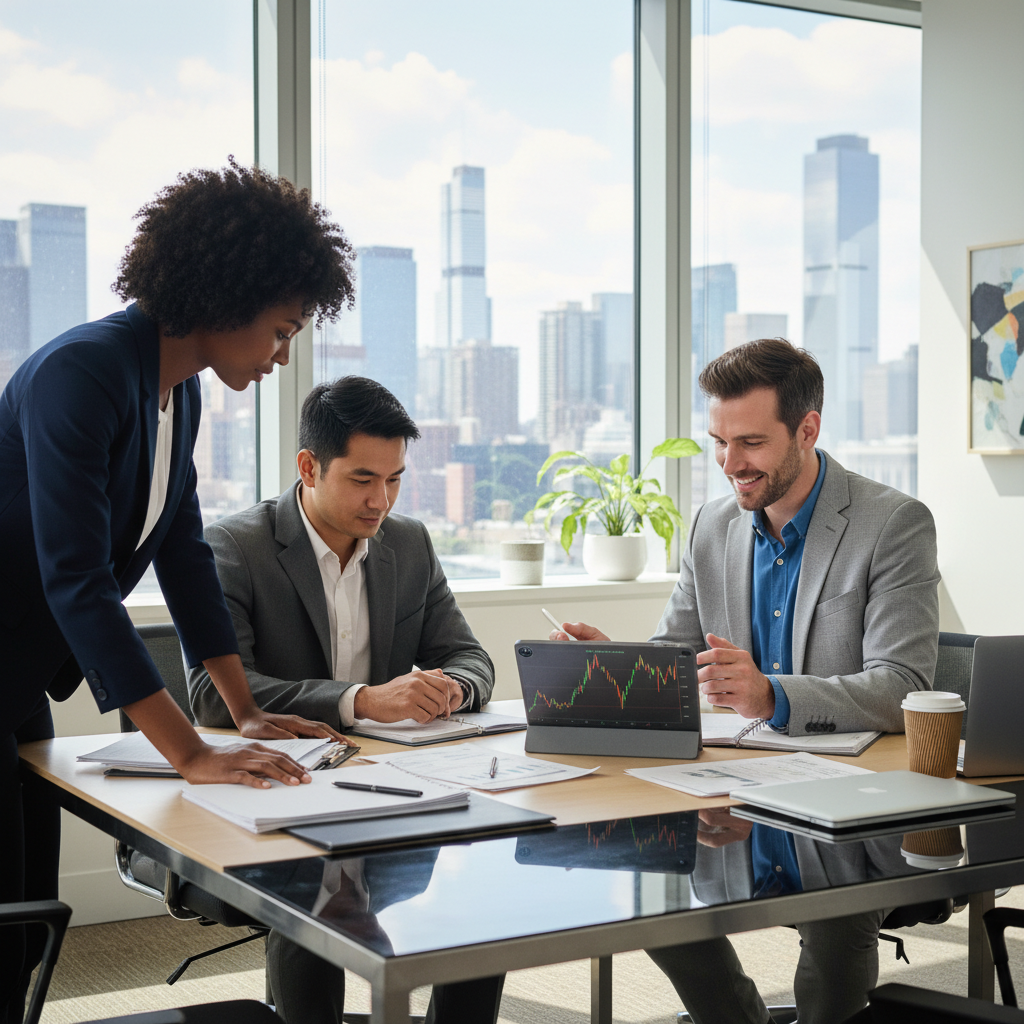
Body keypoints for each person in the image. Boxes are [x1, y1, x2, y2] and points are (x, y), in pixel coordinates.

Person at [0, 159, 355, 1024]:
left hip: (14, 675)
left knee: (21, 922)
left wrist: (243, 710)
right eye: (278, 331)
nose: (280, 356)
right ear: (223, 294)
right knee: (6, 919)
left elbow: (184, 555)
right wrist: (188, 753)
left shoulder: (175, 393)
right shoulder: (82, 373)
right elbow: (78, 581)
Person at [549, 338, 940, 1024]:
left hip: (850, 800)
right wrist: (614, 662)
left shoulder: (891, 523)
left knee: (835, 923)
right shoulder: (712, 525)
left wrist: (773, 694)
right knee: (653, 895)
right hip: (737, 785)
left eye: (751, 443)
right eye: (719, 442)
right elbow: (676, 653)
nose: (730, 464)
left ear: (808, 429)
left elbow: (901, 684)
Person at [187, 375, 502, 1024]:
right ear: (309, 467)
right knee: (320, 895)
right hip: (287, 784)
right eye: (363, 479)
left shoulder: (408, 543)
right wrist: (361, 700)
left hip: (397, 783)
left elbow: (472, 659)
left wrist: (450, 688)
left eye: (393, 479)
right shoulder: (236, 547)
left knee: (481, 902)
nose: (381, 499)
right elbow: (211, 697)